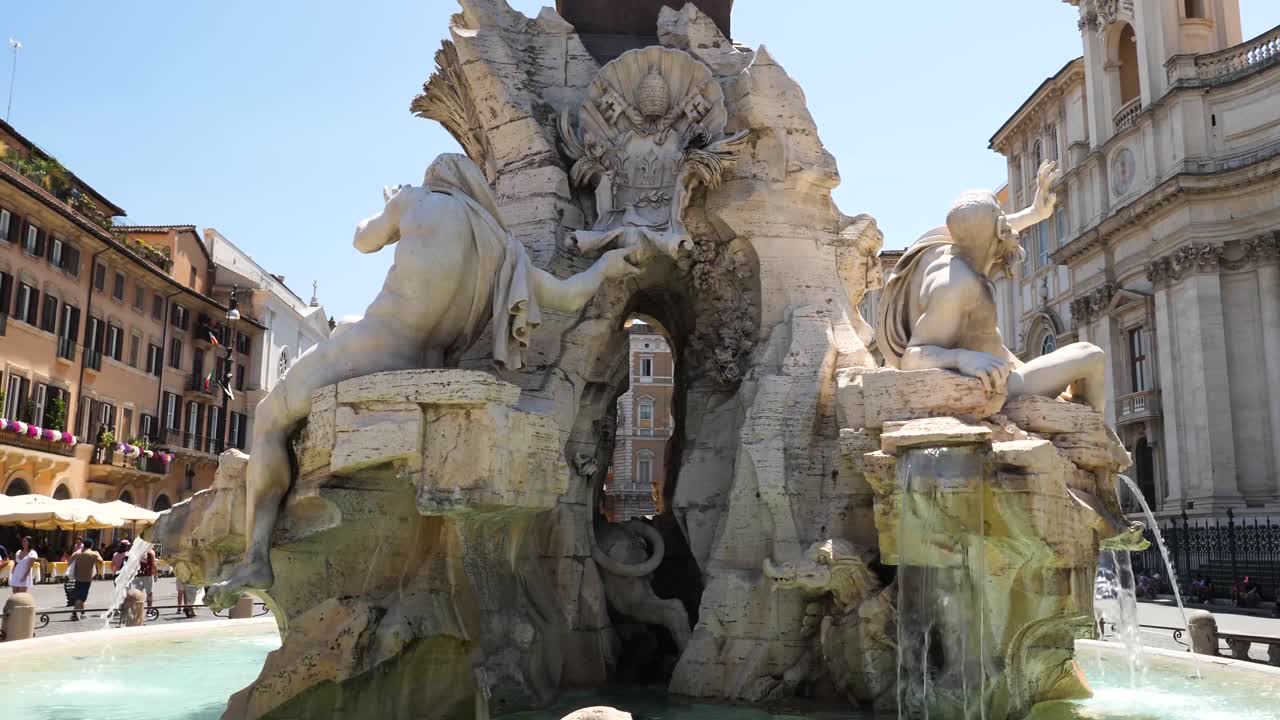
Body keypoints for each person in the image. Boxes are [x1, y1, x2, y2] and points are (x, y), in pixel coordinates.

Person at [205, 154, 646, 611]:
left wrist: (390, 204)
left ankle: (256, 554)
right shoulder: (502, 249)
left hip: (378, 348)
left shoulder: (416, 200)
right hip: (429, 361)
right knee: (345, 327)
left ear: (434, 180)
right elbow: (571, 295)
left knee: (269, 415)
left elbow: (361, 240)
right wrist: (608, 265)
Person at [875, 161, 1108, 414]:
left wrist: (1034, 213)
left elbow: (987, 227)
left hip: (1003, 370)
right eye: (1002, 217)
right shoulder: (957, 285)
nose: (1009, 227)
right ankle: (1097, 437)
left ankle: (1087, 428)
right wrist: (963, 358)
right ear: (998, 229)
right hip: (1000, 386)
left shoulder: (947, 250)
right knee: (1091, 355)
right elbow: (912, 357)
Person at [67, 538, 103, 620]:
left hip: (77, 577)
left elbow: (69, 562)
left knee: (79, 596)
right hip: (86, 579)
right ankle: (74, 614)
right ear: (91, 545)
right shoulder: (93, 554)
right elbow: (101, 562)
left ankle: (83, 613)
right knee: (82, 597)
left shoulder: (77, 553)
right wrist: (98, 554)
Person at [132, 544, 157, 608]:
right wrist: (156, 575)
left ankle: (138, 609)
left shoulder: (137, 553)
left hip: (138, 575)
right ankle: (149, 609)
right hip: (148, 575)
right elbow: (154, 565)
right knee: (149, 593)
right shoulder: (151, 552)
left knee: (138, 593)